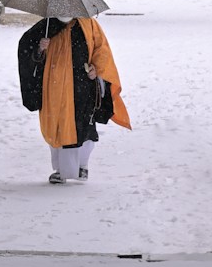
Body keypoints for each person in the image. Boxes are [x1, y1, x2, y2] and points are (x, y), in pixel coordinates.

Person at [17, 14, 131, 184]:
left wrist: (96, 69)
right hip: (53, 87)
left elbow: (101, 50)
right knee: (56, 124)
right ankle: (61, 169)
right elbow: (28, 51)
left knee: (82, 125)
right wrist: (40, 49)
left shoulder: (88, 24)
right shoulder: (47, 26)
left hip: (82, 86)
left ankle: (82, 166)